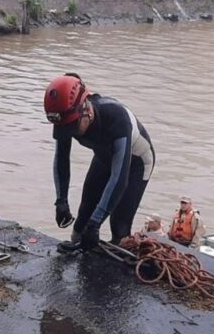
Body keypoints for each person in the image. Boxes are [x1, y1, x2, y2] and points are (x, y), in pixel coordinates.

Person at [45, 73, 155, 252]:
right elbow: (61, 160)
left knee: (119, 223)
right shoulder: (67, 117)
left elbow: (119, 178)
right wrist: (61, 201)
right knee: (84, 213)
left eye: (73, 128)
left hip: (136, 163)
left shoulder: (117, 118)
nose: (70, 133)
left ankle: (119, 262)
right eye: (64, 129)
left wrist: (95, 224)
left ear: (86, 110)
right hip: (104, 157)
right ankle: (80, 250)